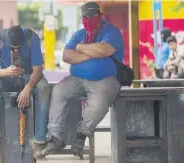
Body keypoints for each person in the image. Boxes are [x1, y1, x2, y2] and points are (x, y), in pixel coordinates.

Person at [41, 1, 123, 157]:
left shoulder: (111, 32)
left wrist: (80, 48)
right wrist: (93, 53)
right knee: (58, 90)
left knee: (99, 104)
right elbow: (66, 56)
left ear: (100, 16)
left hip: (105, 79)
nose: (88, 19)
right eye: (85, 16)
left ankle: (81, 134)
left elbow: (104, 49)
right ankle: (55, 137)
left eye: (92, 16)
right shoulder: (79, 34)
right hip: (77, 79)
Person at [0, 25, 51, 158]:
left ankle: (39, 141)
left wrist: (28, 88)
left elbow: (38, 68)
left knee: (44, 87)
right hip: (6, 76)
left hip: (28, 77)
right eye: (13, 47)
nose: (16, 50)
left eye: (19, 47)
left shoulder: (32, 38)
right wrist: (6, 72)